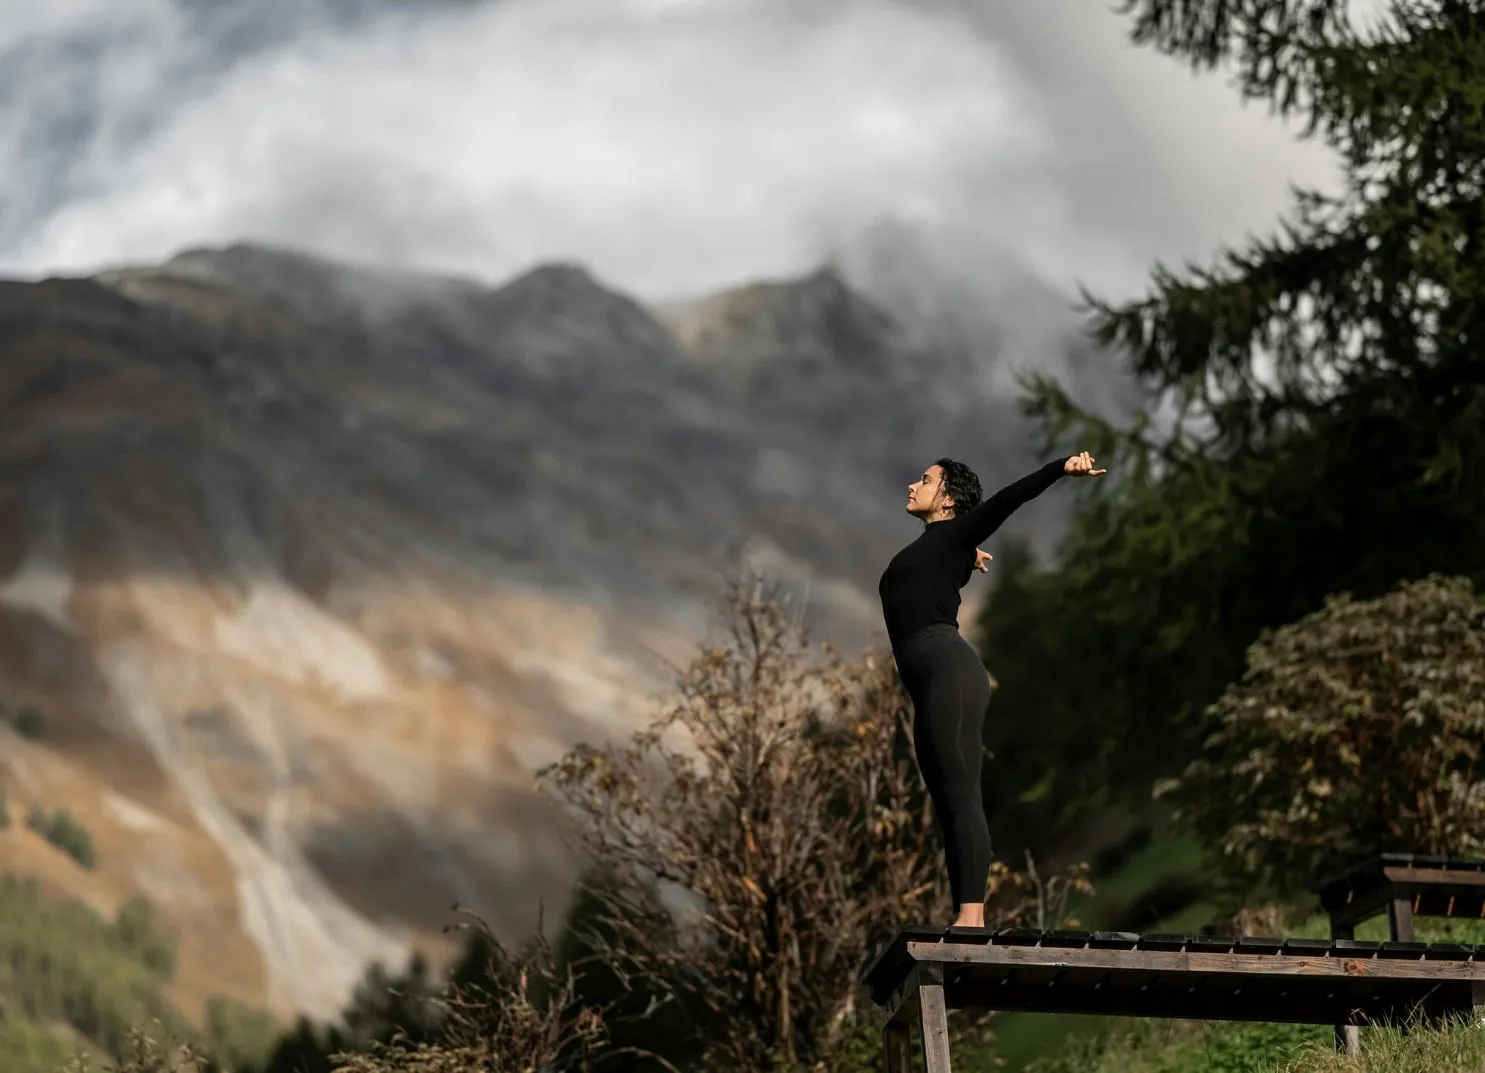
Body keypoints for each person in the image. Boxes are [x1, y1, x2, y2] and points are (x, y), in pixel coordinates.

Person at [878, 450, 1106, 927]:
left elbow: (1008, 500)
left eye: (924, 480)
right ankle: (963, 912)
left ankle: (972, 918)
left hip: (949, 671)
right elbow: (935, 570)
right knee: (945, 802)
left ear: (948, 500)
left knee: (961, 795)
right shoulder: (944, 545)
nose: (912, 485)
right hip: (926, 682)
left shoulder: (958, 533)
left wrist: (1060, 467)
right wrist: (965, 556)